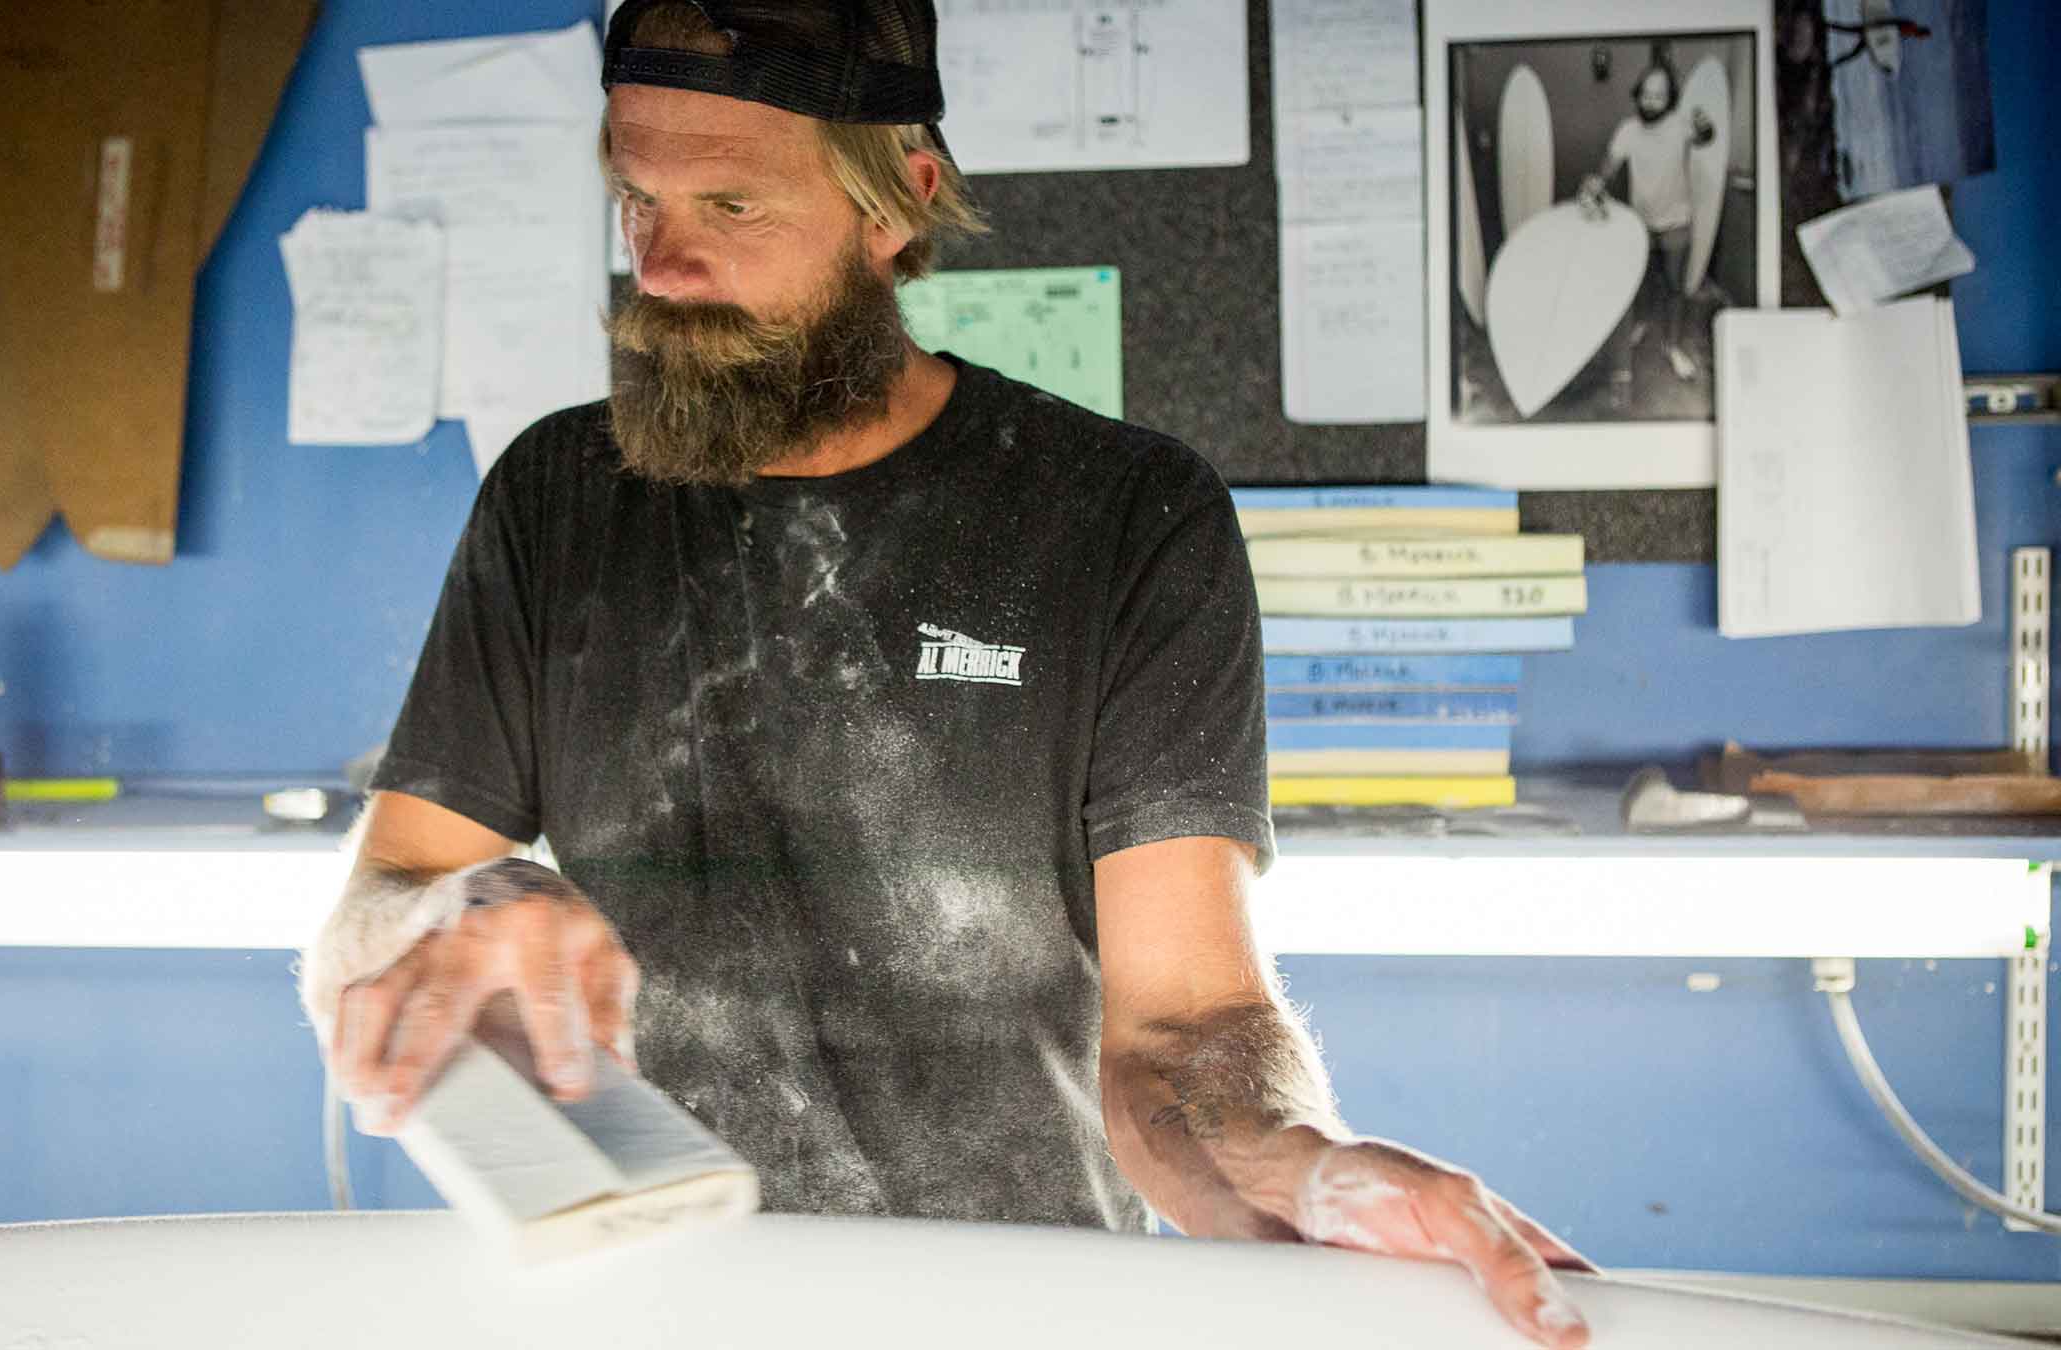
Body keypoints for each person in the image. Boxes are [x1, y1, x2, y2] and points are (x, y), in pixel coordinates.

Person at [301, 3, 1592, 1345]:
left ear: (897, 203)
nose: (665, 270)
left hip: (1024, 1308)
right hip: (646, 1301)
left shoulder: (1122, 518)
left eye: (734, 206)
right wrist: (449, 912)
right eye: (638, 202)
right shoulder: (557, 499)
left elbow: (1185, 1024)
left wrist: (1293, 1159)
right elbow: (369, 918)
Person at [1578, 56, 1718, 394]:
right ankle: (1639, 326)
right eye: (1646, 94)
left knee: (1674, 288)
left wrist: (1705, 125)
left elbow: (1705, 137)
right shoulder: (1627, 130)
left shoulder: (1680, 124)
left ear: (1669, 99)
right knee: (1636, 284)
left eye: (1660, 95)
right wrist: (1595, 183)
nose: (1651, 101)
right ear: (1638, 94)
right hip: (1639, 223)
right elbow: (1608, 167)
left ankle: (1673, 346)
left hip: (1676, 221)